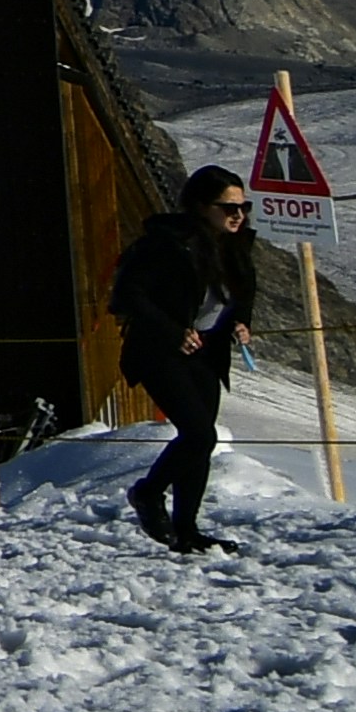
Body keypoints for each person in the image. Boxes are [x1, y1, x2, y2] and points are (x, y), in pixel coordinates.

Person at [112, 167, 260, 551]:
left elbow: (239, 295)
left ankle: (187, 531)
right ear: (199, 206)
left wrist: (240, 323)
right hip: (160, 350)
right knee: (199, 433)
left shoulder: (236, 245)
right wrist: (173, 330)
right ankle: (147, 493)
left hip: (207, 351)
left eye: (243, 206)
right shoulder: (167, 243)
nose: (238, 214)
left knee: (199, 442)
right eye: (228, 206)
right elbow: (129, 296)